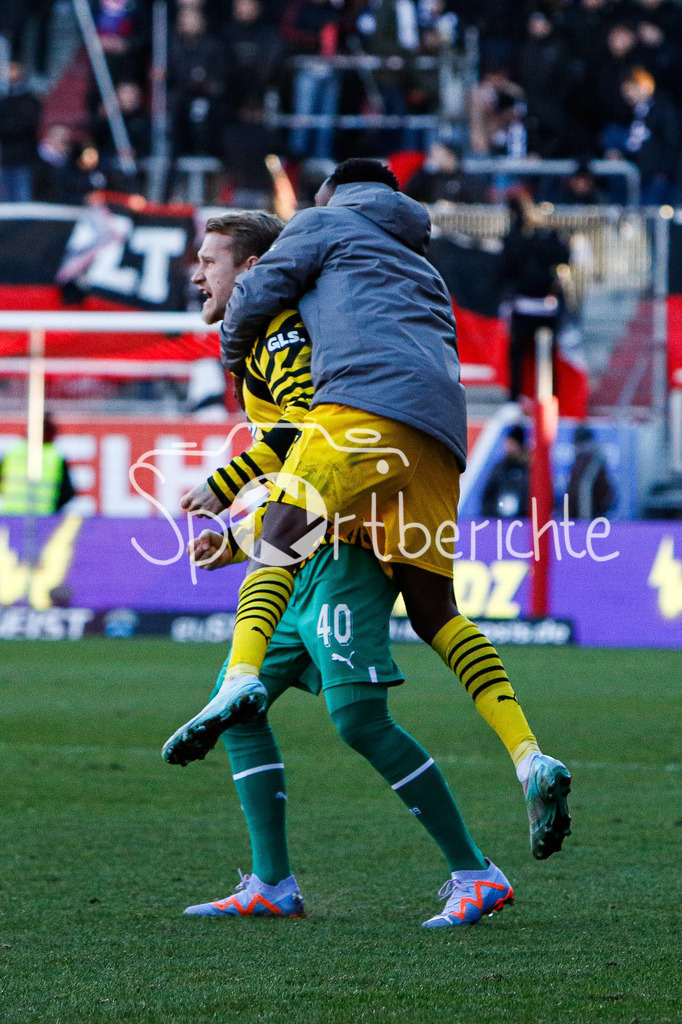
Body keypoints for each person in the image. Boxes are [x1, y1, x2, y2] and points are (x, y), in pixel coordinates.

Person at [167, 162, 572, 863]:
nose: (198, 276)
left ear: (331, 195)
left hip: (360, 412)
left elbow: (272, 327)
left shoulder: (319, 232)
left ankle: (239, 679)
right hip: (442, 438)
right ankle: (529, 756)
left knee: (281, 544)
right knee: (436, 611)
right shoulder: (420, 261)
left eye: (207, 263)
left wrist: (230, 348)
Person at [499, 192, 570, 403]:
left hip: (529, 305)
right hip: (541, 305)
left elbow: (506, 268)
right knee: (543, 357)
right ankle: (549, 398)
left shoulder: (517, 238)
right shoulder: (548, 235)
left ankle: (519, 398)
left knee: (523, 355)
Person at [0, 414, 75, 514]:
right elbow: (67, 492)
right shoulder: (55, 456)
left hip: (10, 515)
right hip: (43, 516)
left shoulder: (12, 452)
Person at [566, 425, 615, 519]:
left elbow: (582, 490)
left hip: (588, 517)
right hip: (584, 517)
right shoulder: (583, 460)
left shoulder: (591, 460)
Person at [481, 424, 530, 519]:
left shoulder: (530, 470)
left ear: (520, 446)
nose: (508, 448)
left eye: (512, 444)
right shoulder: (500, 468)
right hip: (498, 522)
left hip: (523, 522)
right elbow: (487, 496)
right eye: (507, 444)